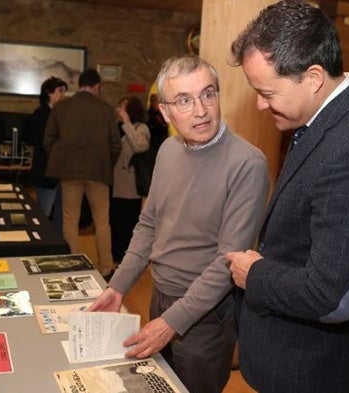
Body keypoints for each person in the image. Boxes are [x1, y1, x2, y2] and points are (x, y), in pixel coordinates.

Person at [226, 2, 349, 393]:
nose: (259, 104)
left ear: (312, 77)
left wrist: (253, 273)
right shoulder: (329, 117)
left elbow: (333, 296)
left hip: (312, 370)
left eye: (266, 92)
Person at [89, 54, 269, 393]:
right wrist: (118, 286)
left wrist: (171, 323)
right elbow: (148, 224)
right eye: (184, 101)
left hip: (206, 314)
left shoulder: (248, 164)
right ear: (166, 113)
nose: (200, 110)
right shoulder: (169, 150)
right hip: (159, 296)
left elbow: (227, 261)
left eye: (208, 94)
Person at [44, 69, 121, 279]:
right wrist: (107, 162)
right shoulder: (106, 109)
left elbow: (48, 138)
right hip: (98, 171)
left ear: (79, 85)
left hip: (69, 171)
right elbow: (116, 144)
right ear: (96, 86)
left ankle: (71, 264)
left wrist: (61, 158)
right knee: (102, 220)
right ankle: (105, 266)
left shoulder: (62, 106)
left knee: (70, 219)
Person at [110, 96, 150, 264]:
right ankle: (116, 255)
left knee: (129, 223)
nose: (120, 110)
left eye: (123, 107)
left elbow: (140, 146)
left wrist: (127, 123)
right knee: (115, 222)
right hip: (114, 183)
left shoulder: (141, 128)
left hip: (130, 185)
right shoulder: (116, 127)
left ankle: (128, 259)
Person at [24, 76, 67, 230]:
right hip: (46, 170)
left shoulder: (61, 114)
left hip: (61, 171)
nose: (63, 95)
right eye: (60, 91)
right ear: (49, 93)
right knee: (44, 212)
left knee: (60, 214)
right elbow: (42, 141)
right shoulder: (41, 114)